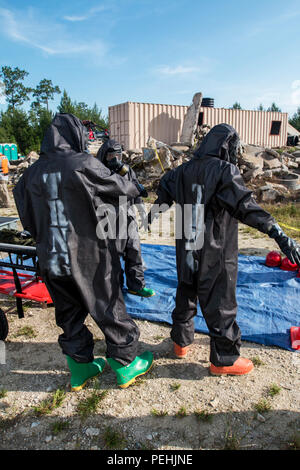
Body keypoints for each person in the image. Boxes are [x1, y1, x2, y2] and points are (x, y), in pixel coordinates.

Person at [13, 113, 153, 391]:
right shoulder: (84, 164)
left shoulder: (30, 173)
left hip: (52, 258)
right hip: (89, 256)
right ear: (76, 135)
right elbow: (125, 190)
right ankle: (126, 364)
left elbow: (27, 219)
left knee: (68, 314)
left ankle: (80, 367)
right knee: (109, 307)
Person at [148, 123, 300, 376]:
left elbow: (163, 192)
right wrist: (278, 233)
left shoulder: (181, 171)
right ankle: (224, 360)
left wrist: (151, 213)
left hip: (186, 245)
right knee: (221, 301)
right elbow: (245, 206)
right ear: (227, 146)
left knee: (186, 289)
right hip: (214, 248)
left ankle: (180, 343)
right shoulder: (224, 171)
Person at [96, 139, 155, 297]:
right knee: (113, 255)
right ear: (104, 156)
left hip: (128, 216)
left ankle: (136, 285)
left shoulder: (126, 171)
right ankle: (115, 287)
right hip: (110, 220)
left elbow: (135, 188)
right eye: (111, 156)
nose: (115, 160)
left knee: (134, 251)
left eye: (118, 156)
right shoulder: (98, 172)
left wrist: (142, 211)